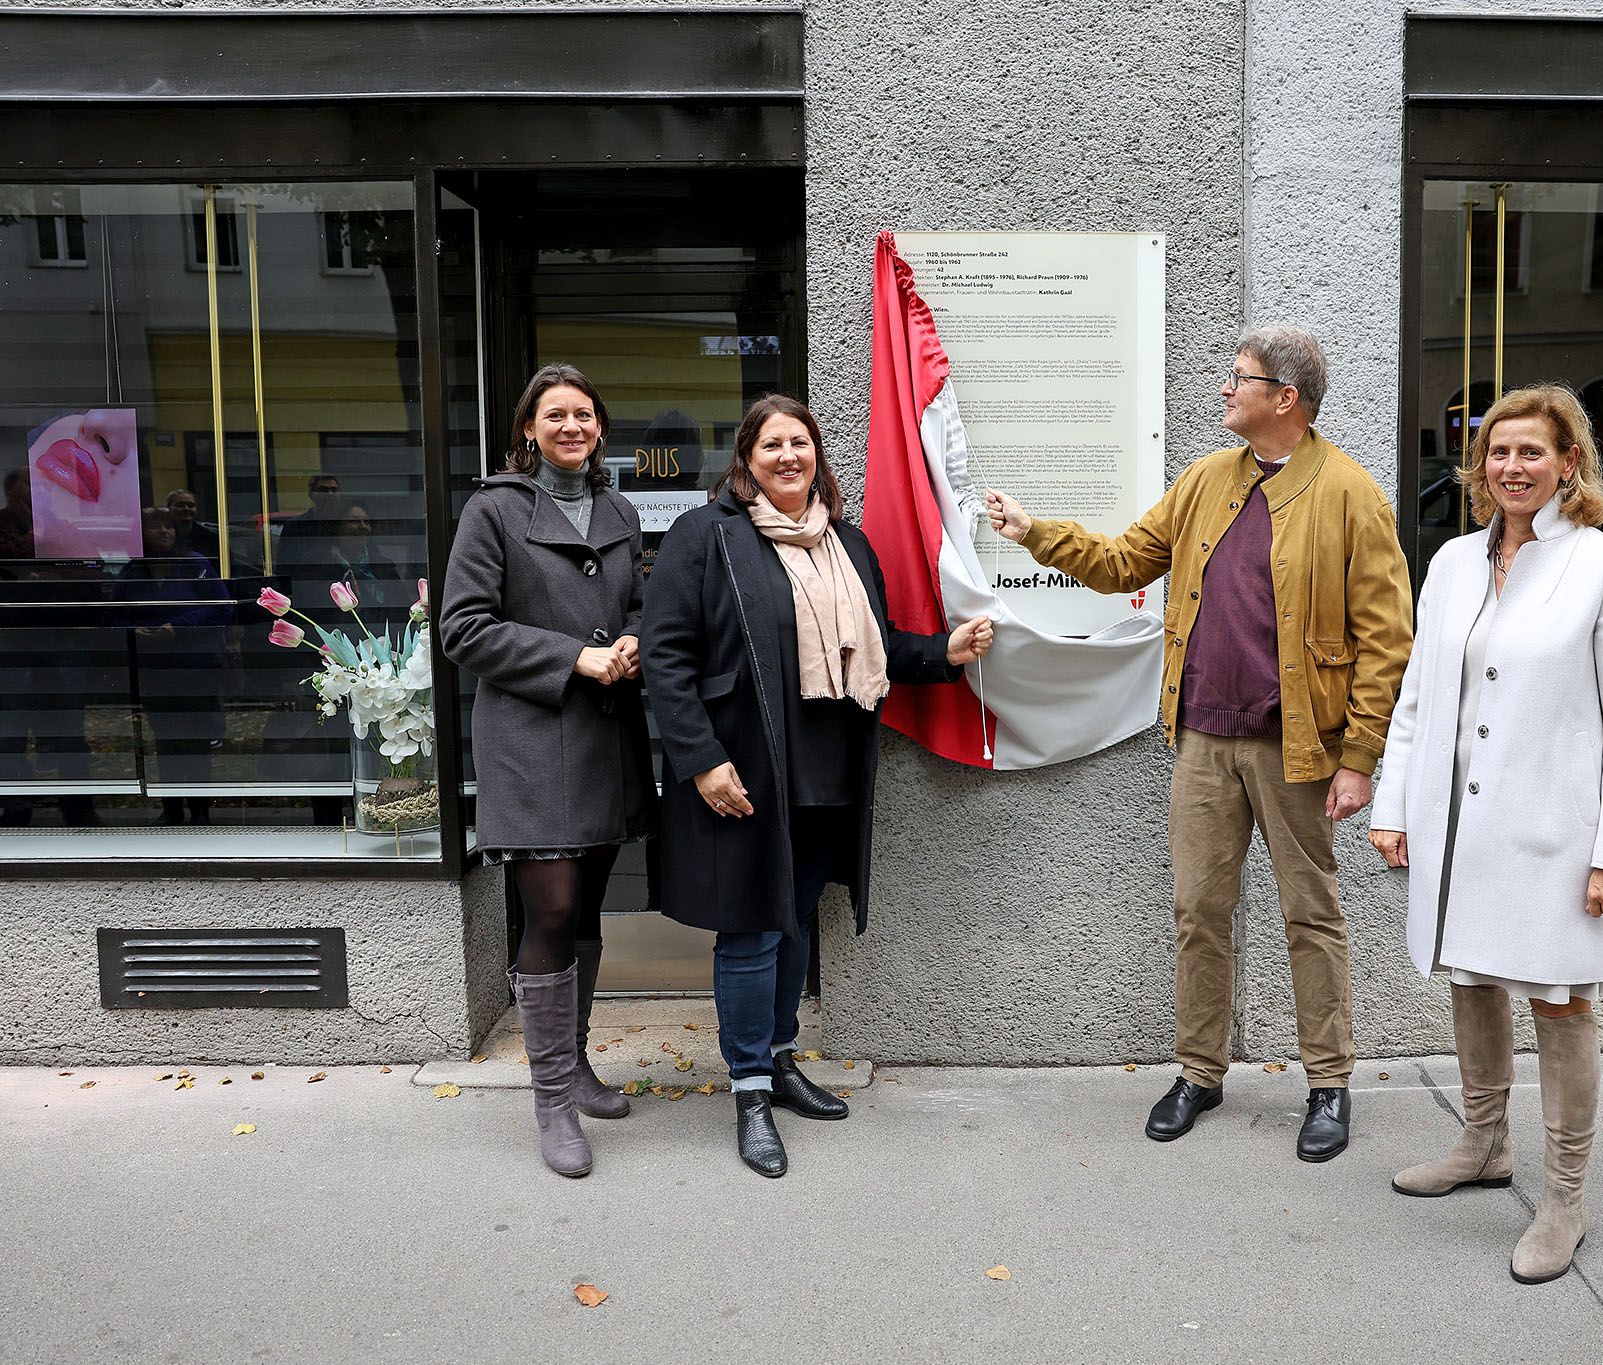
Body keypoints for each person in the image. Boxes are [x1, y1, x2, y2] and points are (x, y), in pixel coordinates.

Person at [985, 326, 1413, 1163]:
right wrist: (1036, 531)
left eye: (1238, 378)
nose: (1225, 388)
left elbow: (1386, 636)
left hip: (1297, 748)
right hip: (1204, 740)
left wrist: (1360, 756)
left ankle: (1328, 1083)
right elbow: (1122, 561)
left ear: (1284, 398)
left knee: (1311, 913)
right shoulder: (1207, 479)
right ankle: (1199, 1072)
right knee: (1198, 914)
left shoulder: (1352, 494)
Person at [641, 394, 993, 1179]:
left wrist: (947, 652)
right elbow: (665, 656)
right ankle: (750, 1092)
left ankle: (779, 1058)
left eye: (800, 442)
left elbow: (879, 643)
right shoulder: (708, 537)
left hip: (827, 765)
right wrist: (700, 759)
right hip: (747, 766)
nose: (788, 456)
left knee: (795, 918)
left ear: (816, 453)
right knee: (751, 926)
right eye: (772, 444)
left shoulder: (849, 543)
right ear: (747, 458)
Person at [1368, 383, 1603, 1285]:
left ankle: (1564, 1195)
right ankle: (1483, 1141)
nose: (1512, 468)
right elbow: (1418, 691)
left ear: (1570, 463)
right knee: (1472, 973)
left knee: (1561, 1002)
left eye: (1532, 452)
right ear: (1478, 465)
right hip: (1460, 825)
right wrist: (1392, 801)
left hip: (1553, 834)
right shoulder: (1453, 559)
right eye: (1498, 452)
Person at [440, 363, 657, 1179]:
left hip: (604, 739)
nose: (572, 426)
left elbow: (631, 603)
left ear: (600, 427)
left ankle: (578, 1064)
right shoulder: (492, 508)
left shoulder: (620, 508)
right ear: (528, 429)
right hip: (531, 740)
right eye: (555, 415)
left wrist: (632, 639)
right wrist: (576, 657)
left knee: (591, 903)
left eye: (585, 414)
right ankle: (551, 1101)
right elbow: (463, 627)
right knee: (553, 909)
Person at [119, 507, 232, 825]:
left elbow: (222, 608)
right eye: (156, 527)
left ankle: (199, 810)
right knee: (165, 740)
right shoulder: (133, 571)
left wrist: (178, 626)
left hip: (195, 667)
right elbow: (113, 613)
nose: (164, 532)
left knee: (195, 740)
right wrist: (133, 630)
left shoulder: (193, 563)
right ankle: (171, 808)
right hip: (155, 669)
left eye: (169, 526)